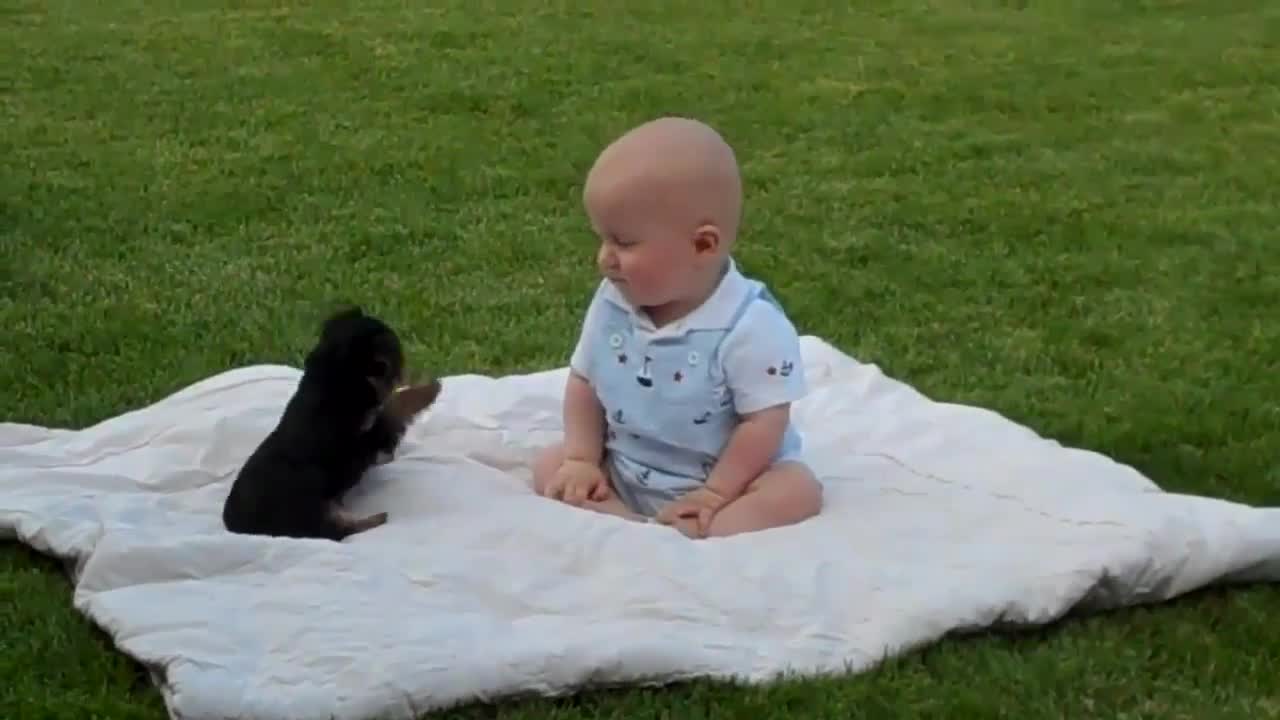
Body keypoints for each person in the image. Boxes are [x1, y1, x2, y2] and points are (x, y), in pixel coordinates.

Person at [532, 116, 823, 539]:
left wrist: (713, 494)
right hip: (626, 466)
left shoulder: (749, 325)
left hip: (726, 484)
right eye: (602, 239)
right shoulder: (615, 298)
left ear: (703, 245)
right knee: (549, 464)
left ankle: (699, 534)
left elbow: (764, 424)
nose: (604, 259)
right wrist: (582, 460)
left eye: (624, 243)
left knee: (796, 490)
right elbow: (584, 381)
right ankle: (630, 526)